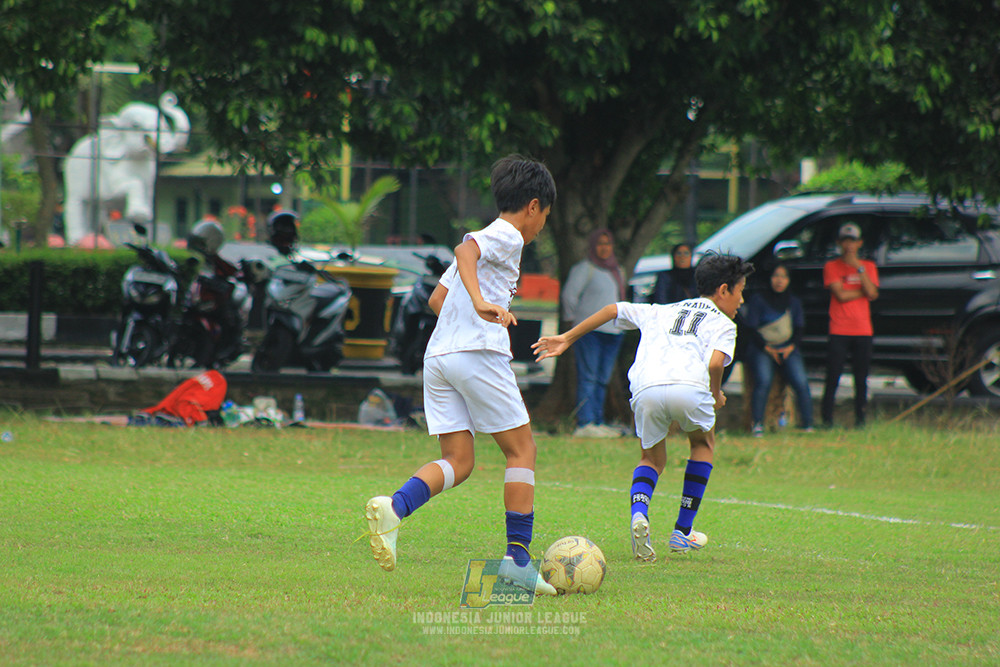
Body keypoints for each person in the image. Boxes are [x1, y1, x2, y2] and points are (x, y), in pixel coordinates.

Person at [365, 155, 558, 595]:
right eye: (545, 216)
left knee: (460, 460)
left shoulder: (496, 242)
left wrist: (471, 299)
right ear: (532, 206)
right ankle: (518, 561)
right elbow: (464, 249)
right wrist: (479, 302)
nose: (542, 226)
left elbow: (437, 299)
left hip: (440, 358)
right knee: (522, 449)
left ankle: (395, 508)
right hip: (476, 353)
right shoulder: (506, 234)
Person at [534, 253, 754, 562]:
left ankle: (640, 514)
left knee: (651, 458)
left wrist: (567, 338)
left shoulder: (661, 311)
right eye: (740, 291)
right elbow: (716, 362)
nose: (741, 301)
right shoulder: (722, 323)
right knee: (703, 444)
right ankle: (681, 531)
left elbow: (613, 309)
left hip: (646, 388)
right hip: (690, 387)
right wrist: (716, 393)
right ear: (723, 290)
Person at [560, 229, 626, 438]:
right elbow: (569, 296)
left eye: (608, 243)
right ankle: (585, 422)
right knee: (588, 376)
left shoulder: (617, 270)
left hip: (613, 332)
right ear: (592, 246)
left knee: (602, 378)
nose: (604, 248)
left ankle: (598, 421)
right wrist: (572, 322)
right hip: (590, 332)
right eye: (600, 244)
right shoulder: (585, 269)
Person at [742, 264, 814, 435]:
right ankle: (757, 424)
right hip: (763, 348)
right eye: (776, 276)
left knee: (801, 381)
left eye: (783, 277)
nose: (779, 280)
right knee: (763, 380)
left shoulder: (793, 302)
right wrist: (768, 349)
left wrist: (790, 347)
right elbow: (751, 329)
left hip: (788, 348)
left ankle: (808, 424)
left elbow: (798, 328)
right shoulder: (759, 300)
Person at [821, 222, 879, 428]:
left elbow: (872, 293)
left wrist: (859, 268)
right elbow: (841, 294)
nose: (849, 245)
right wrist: (861, 292)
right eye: (845, 241)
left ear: (859, 243)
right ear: (839, 243)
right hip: (839, 328)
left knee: (861, 377)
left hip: (863, 329)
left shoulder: (868, 267)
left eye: (853, 241)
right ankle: (827, 419)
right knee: (834, 375)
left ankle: (860, 418)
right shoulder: (832, 266)